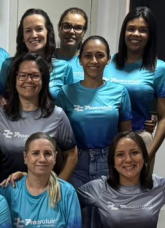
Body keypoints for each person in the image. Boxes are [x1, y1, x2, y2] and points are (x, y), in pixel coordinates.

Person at [56, 36, 133, 187]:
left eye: (100, 55)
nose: (94, 61)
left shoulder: (120, 92)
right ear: (80, 60)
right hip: (75, 163)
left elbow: (126, 135)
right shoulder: (66, 92)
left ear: (108, 59)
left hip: (109, 162)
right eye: (88, 55)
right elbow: (58, 137)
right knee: (76, 202)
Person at [103, 7, 165, 164]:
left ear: (150, 35)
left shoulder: (159, 68)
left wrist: (149, 152)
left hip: (139, 139)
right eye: (131, 29)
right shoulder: (107, 62)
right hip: (105, 140)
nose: (136, 34)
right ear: (124, 32)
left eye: (143, 30)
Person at [0, 54, 77, 181]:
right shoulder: (0, 114)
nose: (29, 80)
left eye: (35, 76)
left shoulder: (57, 115)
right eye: (22, 75)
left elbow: (72, 155)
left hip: (44, 189)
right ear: (14, 79)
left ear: (44, 80)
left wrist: (59, 186)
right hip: (6, 188)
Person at [0, 9, 75, 100]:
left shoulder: (64, 68)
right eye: (28, 30)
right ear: (22, 36)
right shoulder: (9, 65)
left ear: (48, 33)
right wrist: (1, 100)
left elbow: (70, 102)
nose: (34, 35)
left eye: (39, 29)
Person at [55, 7, 89, 83]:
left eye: (78, 28)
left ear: (84, 32)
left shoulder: (88, 63)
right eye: (67, 26)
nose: (71, 32)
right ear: (59, 28)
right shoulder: (46, 59)